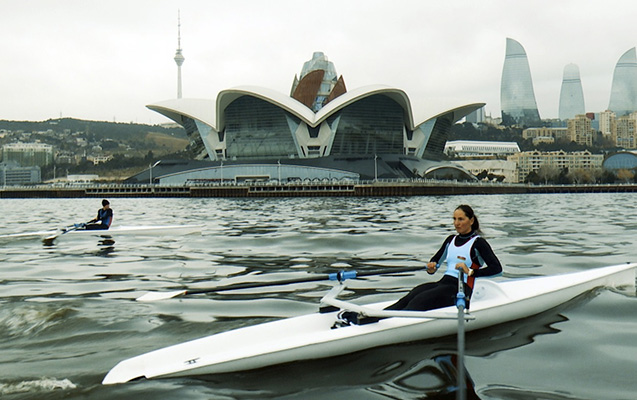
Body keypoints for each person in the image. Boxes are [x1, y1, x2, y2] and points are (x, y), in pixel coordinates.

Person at [335, 204, 502, 327]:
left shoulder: (479, 243)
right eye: (454, 219)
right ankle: (369, 318)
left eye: (461, 219)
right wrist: (431, 267)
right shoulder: (451, 240)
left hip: (461, 290)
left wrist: (470, 271)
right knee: (410, 296)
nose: (457, 223)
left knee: (420, 301)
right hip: (444, 283)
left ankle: (367, 322)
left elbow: (497, 269)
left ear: (471, 220)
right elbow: (435, 263)